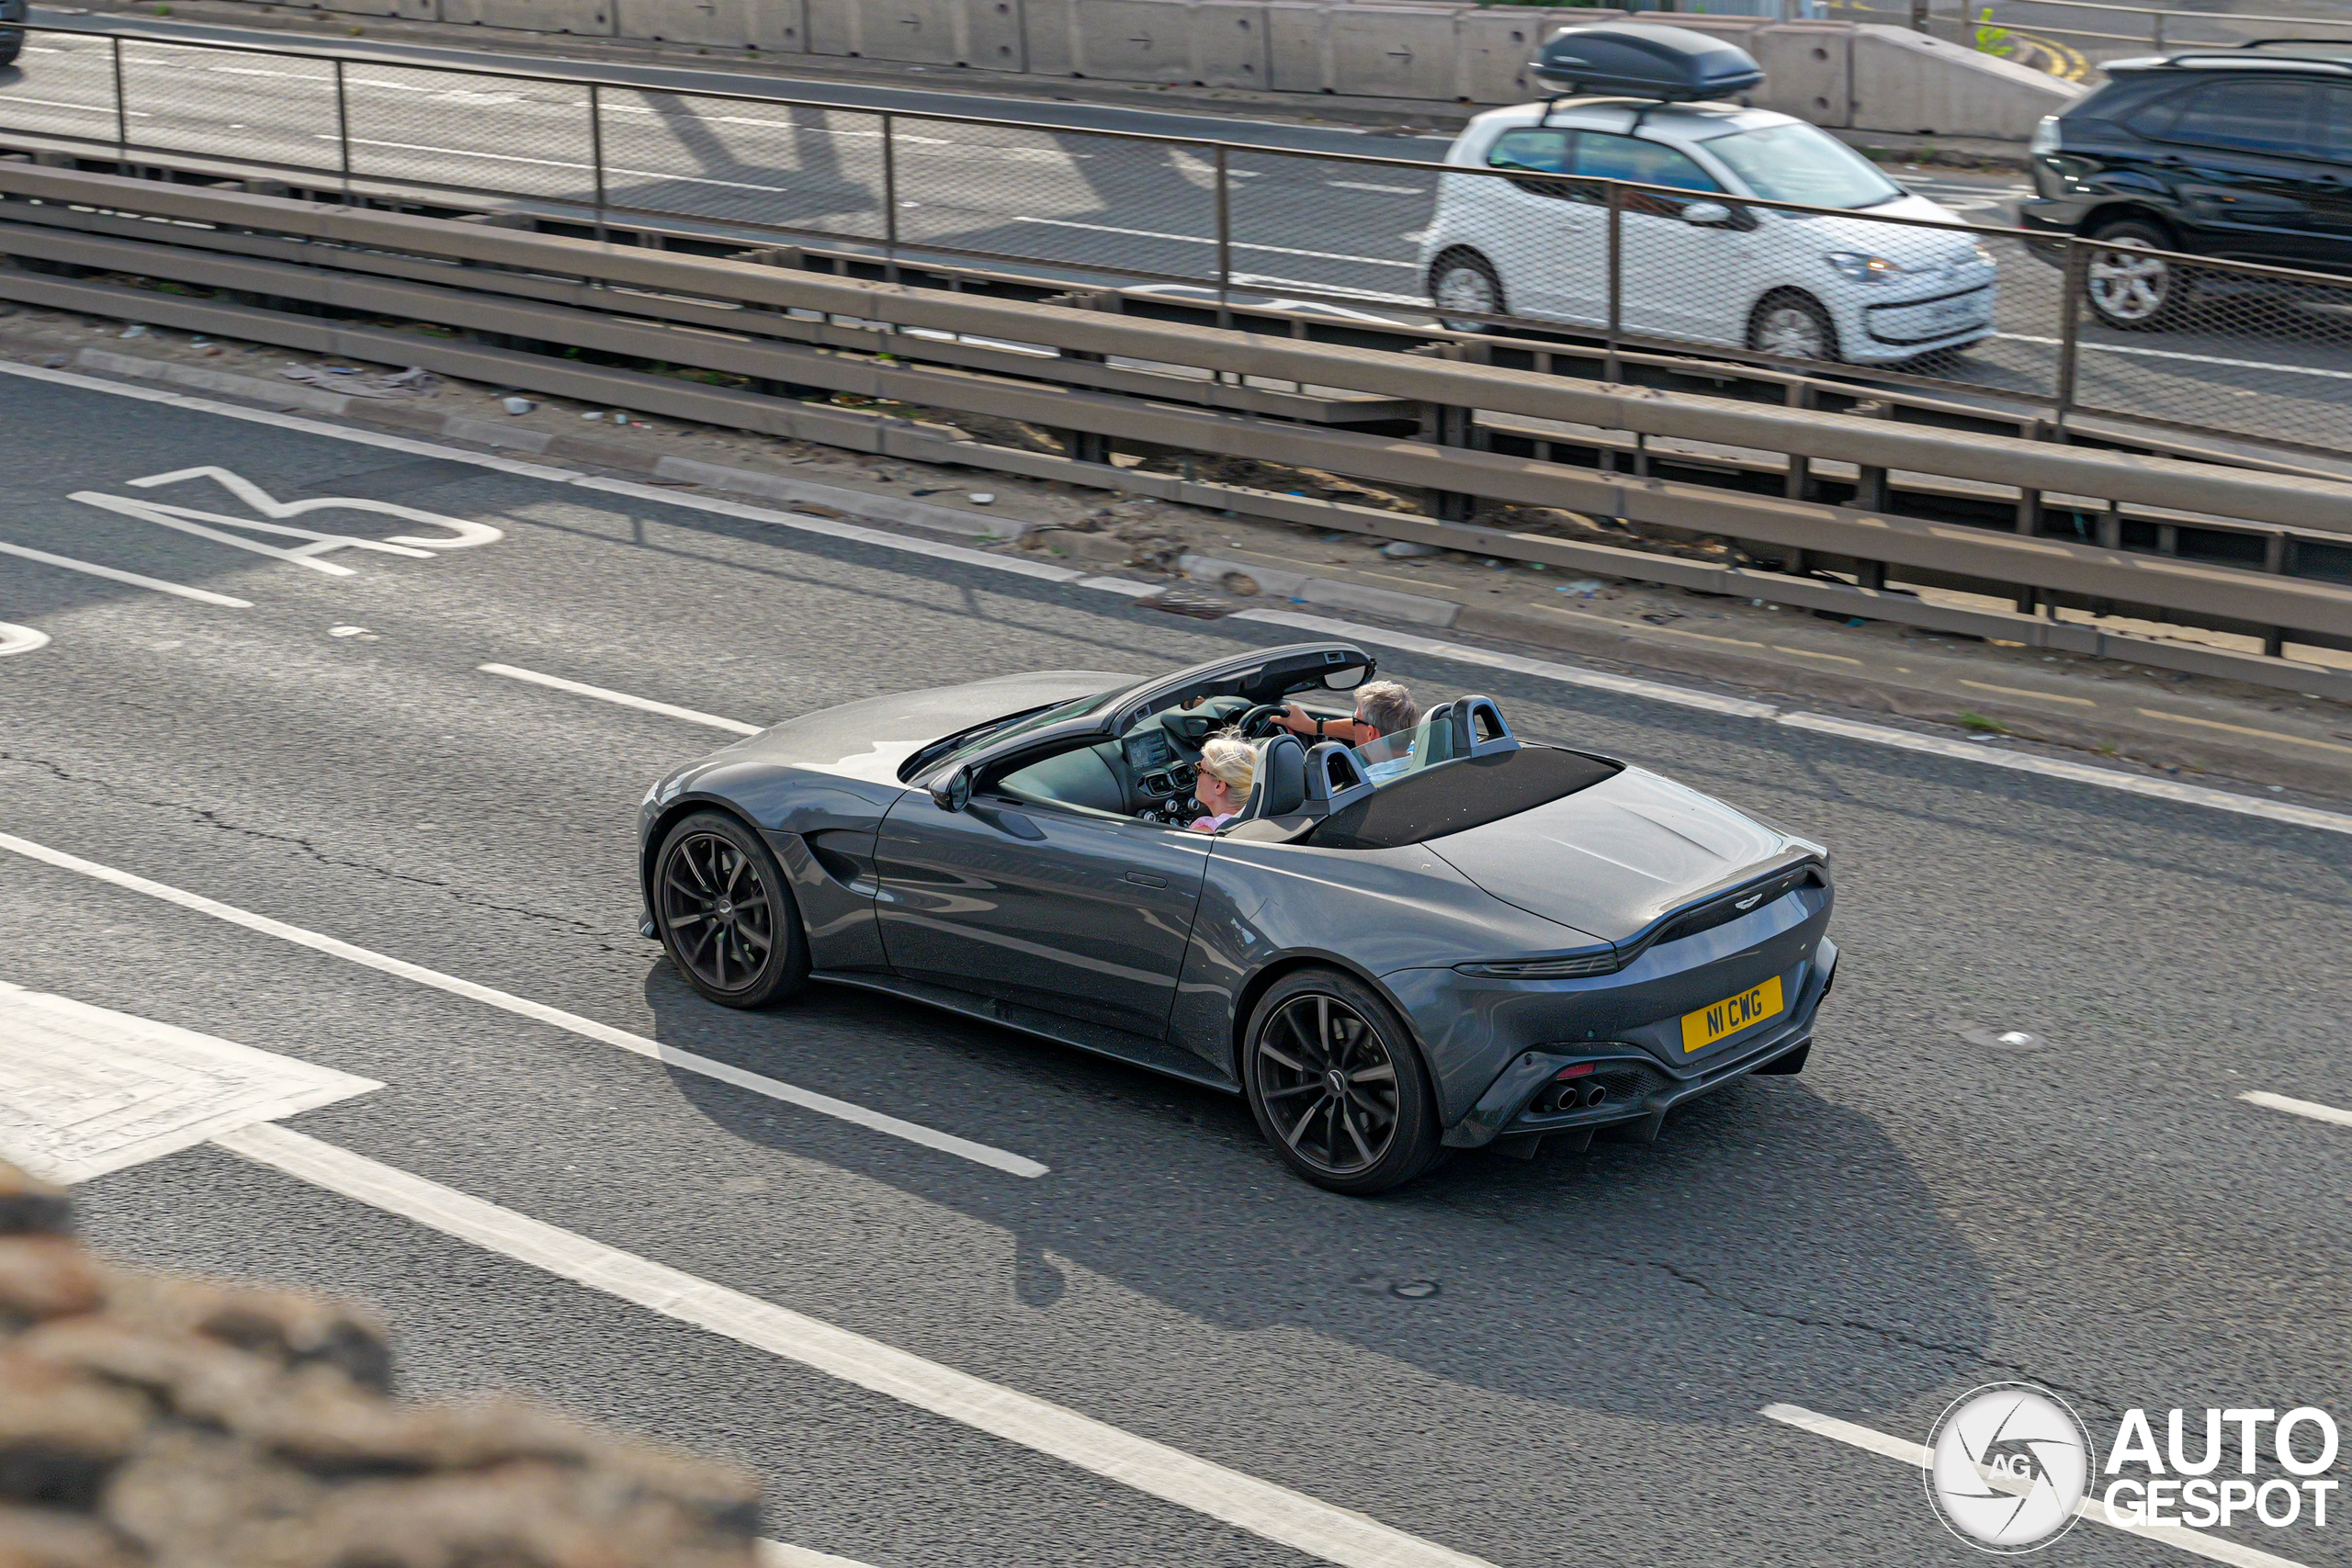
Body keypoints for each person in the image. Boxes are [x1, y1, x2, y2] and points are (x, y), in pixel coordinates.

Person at [1279, 680, 1421, 782]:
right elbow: (1373, 730)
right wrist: (1313, 726)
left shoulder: (1366, 785)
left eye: (1355, 719)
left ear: (1370, 733)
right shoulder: (1416, 751)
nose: (1352, 724)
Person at [1187, 730, 1256, 833]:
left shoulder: (1204, 831)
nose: (1196, 775)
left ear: (1218, 786)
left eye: (1199, 769)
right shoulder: (1259, 821)